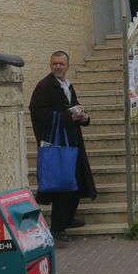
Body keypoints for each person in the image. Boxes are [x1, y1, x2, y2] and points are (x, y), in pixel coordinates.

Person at [29, 50, 97, 237]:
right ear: (50, 65)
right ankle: (58, 227)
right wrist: (67, 116)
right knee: (63, 185)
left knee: (75, 181)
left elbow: (73, 105)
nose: (58, 67)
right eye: (54, 64)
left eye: (61, 64)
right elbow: (38, 112)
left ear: (68, 66)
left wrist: (84, 117)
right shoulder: (44, 86)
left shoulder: (66, 85)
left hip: (71, 142)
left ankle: (68, 218)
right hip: (57, 145)